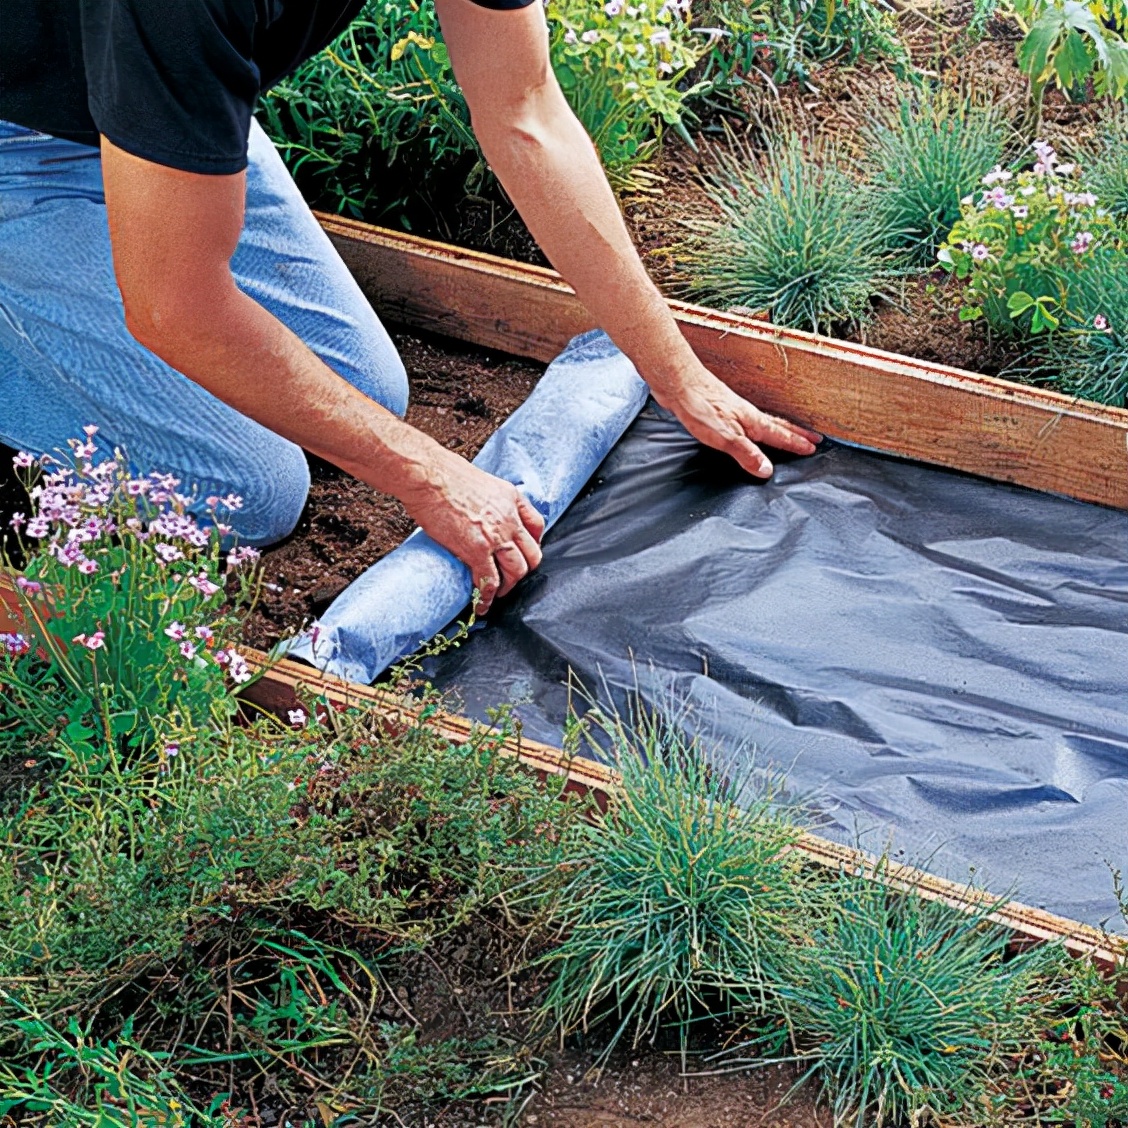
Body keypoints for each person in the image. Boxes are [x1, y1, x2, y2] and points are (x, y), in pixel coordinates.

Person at [0, 0, 821, 611]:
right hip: (21, 143)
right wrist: (428, 476)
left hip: (144, 118)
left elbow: (524, 112)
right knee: (249, 485)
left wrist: (674, 370)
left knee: (363, 390)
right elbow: (176, 307)